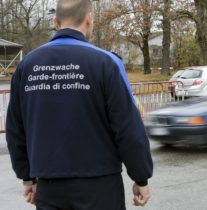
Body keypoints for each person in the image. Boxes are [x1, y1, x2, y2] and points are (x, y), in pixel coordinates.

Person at [6, 0, 153, 209]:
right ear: (89, 19)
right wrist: (141, 178)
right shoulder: (106, 63)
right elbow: (128, 127)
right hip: (100, 186)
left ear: (55, 22)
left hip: (49, 187)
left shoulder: (27, 65)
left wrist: (27, 178)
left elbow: (15, 129)